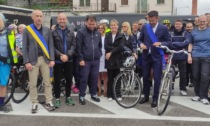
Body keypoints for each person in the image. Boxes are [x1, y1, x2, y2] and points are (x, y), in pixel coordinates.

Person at [22, 10, 55, 113]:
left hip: (45, 60)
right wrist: (26, 61)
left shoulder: (46, 29)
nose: (39, 18)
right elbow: (24, 47)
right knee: (32, 83)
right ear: (32, 17)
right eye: (37, 16)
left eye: (41, 16)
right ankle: (34, 102)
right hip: (32, 61)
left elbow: (50, 45)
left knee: (48, 82)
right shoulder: (27, 30)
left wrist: (52, 59)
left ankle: (49, 101)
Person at [138, 10, 171, 108]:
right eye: (149, 20)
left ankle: (155, 98)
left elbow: (169, 41)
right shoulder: (145, 27)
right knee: (145, 77)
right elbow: (139, 39)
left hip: (157, 57)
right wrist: (141, 44)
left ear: (157, 18)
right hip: (146, 56)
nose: (151, 22)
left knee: (157, 78)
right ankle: (146, 96)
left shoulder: (163, 28)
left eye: (152, 20)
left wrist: (161, 43)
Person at [76, 15, 102, 105]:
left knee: (94, 78)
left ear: (95, 23)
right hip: (85, 60)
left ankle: (93, 94)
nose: (91, 26)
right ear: (86, 22)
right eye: (90, 24)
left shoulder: (97, 33)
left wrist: (99, 54)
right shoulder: (81, 32)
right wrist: (80, 58)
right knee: (84, 78)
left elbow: (99, 45)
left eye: (93, 24)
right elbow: (78, 46)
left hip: (96, 60)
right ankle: (82, 95)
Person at [52, 13, 76, 108]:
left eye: (64, 19)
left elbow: (74, 45)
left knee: (69, 79)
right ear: (57, 20)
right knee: (57, 80)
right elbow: (51, 46)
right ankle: (57, 98)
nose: (62, 21)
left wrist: (68, 55)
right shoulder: (53, 32)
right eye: (60, 19)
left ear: (66, 20)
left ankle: (68, 96)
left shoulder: (71, 32)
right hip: (58, 60)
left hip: (68, 60)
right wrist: (60, 55)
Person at [188, 15, 210, 105]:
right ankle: (197, 94)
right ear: (198, 22)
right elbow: (190, 43)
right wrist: (189, 55)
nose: (202, 23)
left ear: (207, 21)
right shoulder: (194, 32)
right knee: (195, 76)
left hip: (207, 56)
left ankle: (204, 96)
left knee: (205, 76)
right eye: (200, 21)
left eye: (204, 21)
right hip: (195, 56)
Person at [0, 13, 18, 113]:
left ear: (3, 22)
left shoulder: (9, 33)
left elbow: (13, 47)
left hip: (5, 63)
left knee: (3, 84)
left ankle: (1, 104)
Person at [105, 19, 124, 101]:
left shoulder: (121, 36)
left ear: (117, 26)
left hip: (117, 60)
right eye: (112, 25)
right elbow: (106, 46)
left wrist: (111, 52)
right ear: (110, 26)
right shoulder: (107, 35)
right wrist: (113, 50)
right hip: (109, 60)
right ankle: (110, 94)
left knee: (118, 78)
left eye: (114, 25)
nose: (113, 26)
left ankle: (118, 94)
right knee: (110, 78)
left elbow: (121, 47)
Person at [170, 19, 190, 96]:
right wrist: (180, 44)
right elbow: (169, 43)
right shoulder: (170, 33)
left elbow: (186, 43)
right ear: (174, 25)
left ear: (182, 25)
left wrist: (174, 44)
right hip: (173, 55)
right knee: (172, 73)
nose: (177, 25)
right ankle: (171, 88)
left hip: (183, 56)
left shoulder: (186, 33)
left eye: (179, 24)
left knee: (183, 74)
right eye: (176, 24)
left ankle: (182, 89)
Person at [97, 23, 108, 97]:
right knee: (97, 74)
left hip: (105, 56)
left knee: (105, 74)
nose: (100, 29)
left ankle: (105, 90)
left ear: (104, 29)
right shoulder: (95, 36)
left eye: (102, 28)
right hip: (97, 56)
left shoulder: (106, 37)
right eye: (99, 28)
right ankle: (99, 90)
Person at [185, 22, 194, 87]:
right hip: (185, 54)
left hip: (194, 53)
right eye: (188, 27)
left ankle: (192, 82)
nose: (189, 28)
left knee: (192, 69)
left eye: (190, 27)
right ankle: (186, 82)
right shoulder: (185, 34)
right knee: (186, 70)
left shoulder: (195, 33)